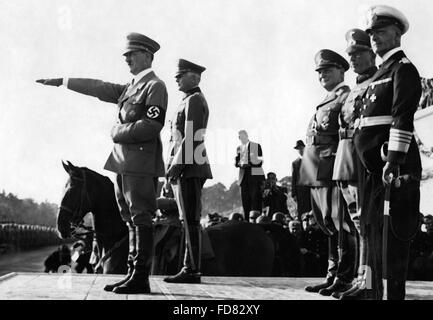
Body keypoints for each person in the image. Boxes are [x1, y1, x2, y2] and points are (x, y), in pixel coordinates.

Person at [36, 32, 167, 294]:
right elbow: (98, 87)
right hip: (122, 164)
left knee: (141, 218)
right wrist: (63, 81)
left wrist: (117, 132)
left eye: (132, 54)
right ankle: (132, 273)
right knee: (129, 220)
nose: (127, 58)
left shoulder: (155, 86)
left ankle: (141, 276)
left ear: (147, 56)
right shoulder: (130, 88)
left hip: (140, 164)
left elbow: (152, 126)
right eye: (126, 54)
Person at [354, 5, 422, 300]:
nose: (375, 38)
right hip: (373, 171)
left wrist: (393, 161)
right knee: (370, 236)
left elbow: (401, 117)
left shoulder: (403, 69)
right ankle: (370, 294)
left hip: (393, 170)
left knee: (392, 242)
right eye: (372, 33)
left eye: (381, 32)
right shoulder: (381, 72)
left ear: (397, 34)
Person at [298, 49, 356, 295]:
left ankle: (345, 277)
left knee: (340, 223)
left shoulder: (345, 97)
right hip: (316, 169)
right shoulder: (327, 98)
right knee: (327, 225)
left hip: (332, 167)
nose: (322, 75)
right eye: (319, 71)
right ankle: (332, 274)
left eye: (327, 70)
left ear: (341, 71)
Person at [331, 28, 378, 300]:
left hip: (364, 163)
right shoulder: (353, 91)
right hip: (347, 163)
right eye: (352, 55)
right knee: (359, 225)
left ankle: (368, 284)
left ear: (372, 53)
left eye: (360, 53)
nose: (356, 59)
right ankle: (361, 280)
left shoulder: (378, 83)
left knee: (368, 227)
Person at [164, 59, 212, 284]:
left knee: (190, 220)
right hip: (184, 167)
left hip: (189, 168)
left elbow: (193, 136)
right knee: (186, 219)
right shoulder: (186, 101)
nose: (176, 79)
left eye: (180, 75)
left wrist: (175, 167)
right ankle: (189, 267)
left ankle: (191, 269)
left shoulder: (194, 101)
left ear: (195, 77)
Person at [235, 130, 265, 221]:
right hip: (243, 179)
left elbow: (260, 161)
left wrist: (249, 164)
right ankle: (247, 223)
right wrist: (240, 164)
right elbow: (236, 162)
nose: (241, 138)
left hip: (255, 178)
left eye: (243, 136)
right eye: (240, 137)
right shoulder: (239, 148)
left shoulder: (256, 146)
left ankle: (258, 223)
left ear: (247, 136)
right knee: (246, 204)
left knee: (256, 202)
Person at [291, 140, 312, 221]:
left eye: (301, 148)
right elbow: (294, 178)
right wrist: (294, 194)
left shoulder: (311, 160)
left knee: (312, 211)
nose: (300, 150)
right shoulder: (295, 163)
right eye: (298, 149)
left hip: (311, 190)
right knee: (302, 212)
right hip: (300, 192)